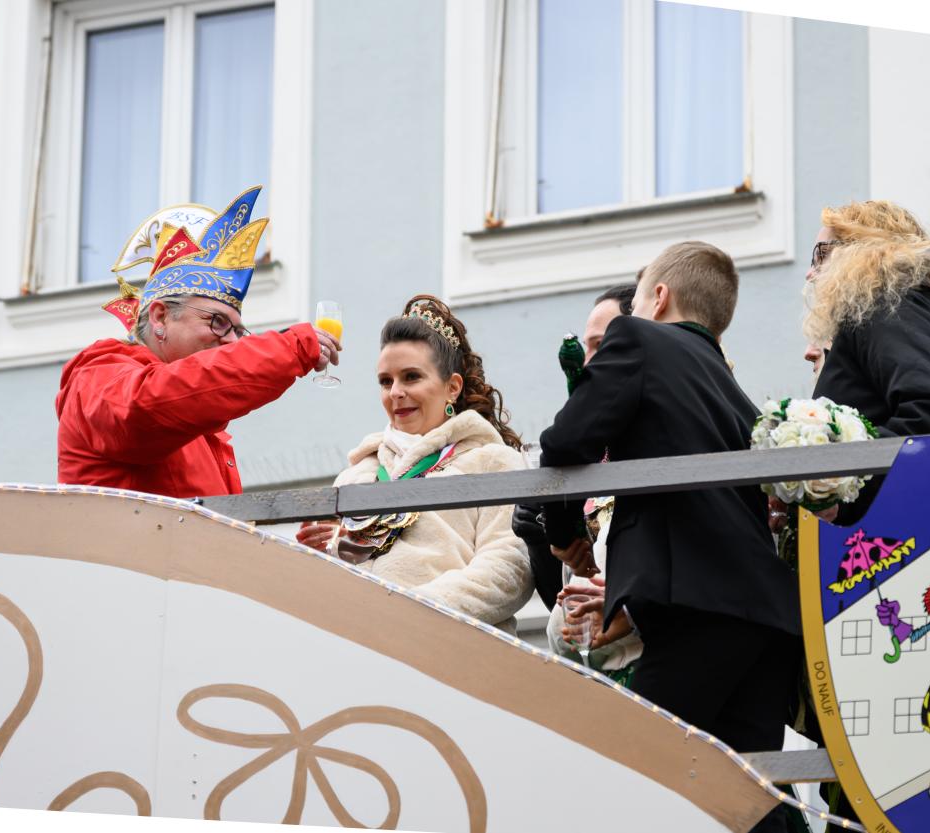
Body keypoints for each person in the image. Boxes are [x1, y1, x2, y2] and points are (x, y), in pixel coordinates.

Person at [539, 242, 800, 833]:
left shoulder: (636, 339)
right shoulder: (736, 395)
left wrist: (565, 536)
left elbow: (564, 444)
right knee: (746, 804)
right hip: (766, 618)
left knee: (633, 772)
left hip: (699, 608)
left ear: (657, 298)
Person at [56, 187, 341, 498]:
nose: (232, 342)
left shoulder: (199, 429)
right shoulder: (97, 378)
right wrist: (289, 349)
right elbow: (146, 406)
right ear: (160, 317)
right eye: (217, 322)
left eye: (237, 331)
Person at [296, 295, 534, 631]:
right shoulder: (356, 474)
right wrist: (327, 553)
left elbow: (509, 570)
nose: (395, 392)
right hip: (361, 654)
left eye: (410, 377)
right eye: (385, 381)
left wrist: (413, 611)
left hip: (450, 655)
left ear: (452, 387)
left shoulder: (493, 460)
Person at [511, 284, 643, 678]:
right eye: (586, 348)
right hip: (588, 668)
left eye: (602, 345)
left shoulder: (660, 438)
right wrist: (540, 533)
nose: (588, 364)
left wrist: (635, 605)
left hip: (657, 664)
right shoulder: (587, 453)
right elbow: (566, 591)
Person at [804, 200, 930, 525]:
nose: (811, 272)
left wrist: (842, 486)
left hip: (896, 536)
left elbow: (929, 406)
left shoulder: (883, 304)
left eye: (821, 253)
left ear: (859, 250)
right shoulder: (905, 305)